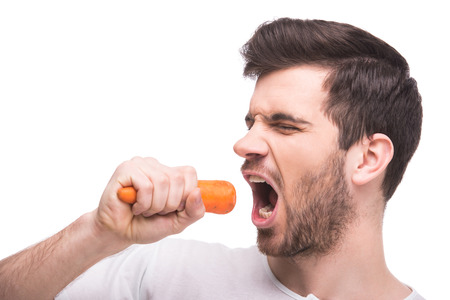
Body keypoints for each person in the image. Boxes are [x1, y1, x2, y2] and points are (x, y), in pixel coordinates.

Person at [0, 18, 424, 299]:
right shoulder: (165, 275)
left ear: (368, 158)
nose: (244, 145)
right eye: (251, 122)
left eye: (284, 125)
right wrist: (96, 232)